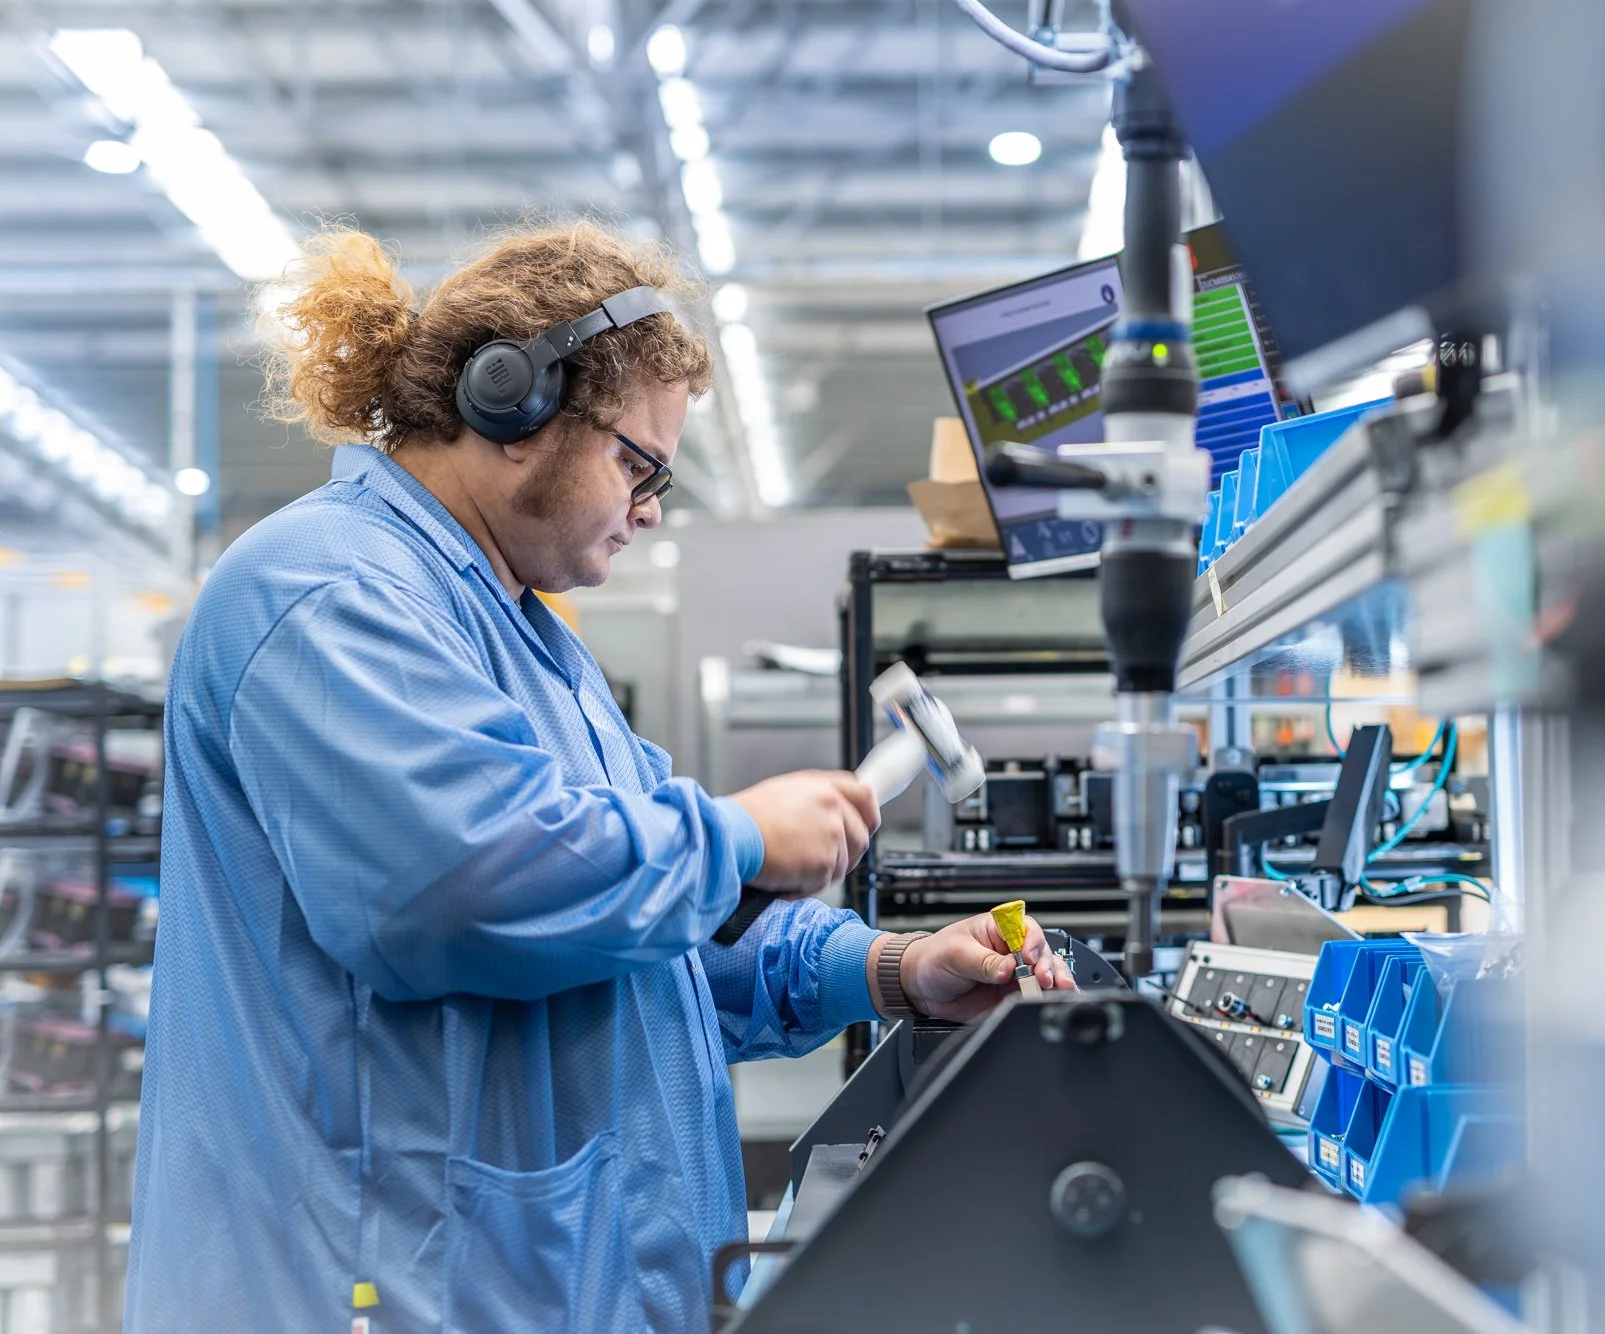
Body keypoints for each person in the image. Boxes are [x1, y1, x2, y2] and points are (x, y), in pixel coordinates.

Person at [124, 222, 1075, 1333]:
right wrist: (736, 835)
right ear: (515, 408)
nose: (653, 506)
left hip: (534, 1285)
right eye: (640, 463)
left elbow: (661, 932)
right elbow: (463, 887)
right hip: (378, 1285)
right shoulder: (325, 592)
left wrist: (895, 967)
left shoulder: (532, 641)